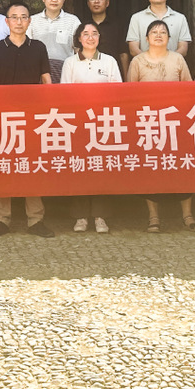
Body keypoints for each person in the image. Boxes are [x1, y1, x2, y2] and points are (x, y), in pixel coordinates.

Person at [0, 2, 54, 238]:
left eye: (24, 17)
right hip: (3, 117)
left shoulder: (38, 47)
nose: (19, 21)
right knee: (3, 167)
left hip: (33, 117)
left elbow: (46, 80)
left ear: (29, 21)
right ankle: (1, 219)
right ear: (7, 21)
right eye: (14, 17)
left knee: (32, 167)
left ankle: (36, 219)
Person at [126, 19, 195, 234]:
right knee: (151, 170)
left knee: (183, 168)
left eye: (163, 32)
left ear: (169, 38)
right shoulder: (138, 61)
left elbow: (189, 90)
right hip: (148, 122)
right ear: (146, 38)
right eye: (154, 32)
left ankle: (188, 215)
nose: (158, 35)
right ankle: (153, 217)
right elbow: (129, 94)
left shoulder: (178, 59)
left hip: (175, 121)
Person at [61, 21, 122, 234]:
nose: (90, 37)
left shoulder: (109, 61)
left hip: (103, 123)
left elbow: (117, 92)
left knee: (101, 169)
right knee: (79, 169)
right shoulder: (70, 62)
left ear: (99, 37)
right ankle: (80, 216)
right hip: (77, 123)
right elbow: (65, 94)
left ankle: (100, 216)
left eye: (94, 33)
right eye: (85, 34)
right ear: (79, 38)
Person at [28, 0, 81, 84]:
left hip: (65, 71)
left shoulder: (73, 21)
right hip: (37, 71)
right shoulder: (32, 21)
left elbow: (79, 49)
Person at [125, 0, 191, 59]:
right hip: (145, 65)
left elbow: (183, 48)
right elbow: (133, 49)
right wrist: (150, 61)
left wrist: (168, 61)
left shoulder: (180, 18)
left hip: (172, 65)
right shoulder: (136, 18)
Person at [82, 0, 129, 77]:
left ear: (107, 3)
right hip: (88, 74)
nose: (96, 1)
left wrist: (126, 78)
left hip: (112, 73)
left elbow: (123, 54)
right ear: (88, 3)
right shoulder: (83, 26)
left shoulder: (118, 25)